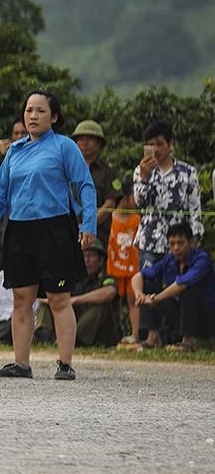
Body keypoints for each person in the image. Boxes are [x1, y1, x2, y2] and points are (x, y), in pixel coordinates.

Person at [0, 90, 95, 380]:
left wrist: (88, 224)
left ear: (54, 117)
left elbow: (85, 186)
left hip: (54, 228)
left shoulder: (64, 146)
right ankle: (21, 364)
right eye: (29, 110)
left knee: (59, 298)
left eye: (40, 111)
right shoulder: (15, 151)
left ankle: (65, 364)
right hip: (19, 230)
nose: (33, 116)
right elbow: (2, 188)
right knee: (22, 299)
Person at [131, 121, 203, 272]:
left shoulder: (188, 172)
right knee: (149, 287)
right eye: (151, 145)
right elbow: (139, 202)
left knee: (178, 289)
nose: (156, 149)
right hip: (150, 240)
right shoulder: (141, 170)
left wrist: (194, 239)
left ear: (171, 144)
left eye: (160, 144)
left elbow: (194, 209)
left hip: (179, 243)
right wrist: (144, 177)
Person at [136, 224, 212, 351]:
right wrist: (140, 295)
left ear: (191, 242)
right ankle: (152, 337)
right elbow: (138, 276)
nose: (176, 248)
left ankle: (188, 342)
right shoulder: (169, 259)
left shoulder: (202, 259)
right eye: (172, 244)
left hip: (207, 317)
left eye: (181, 243)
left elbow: (182, 284)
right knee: (148, 284)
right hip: (182, 315)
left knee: (188, 290)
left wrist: (155, 299)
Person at [45, 242, 124, 349]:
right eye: (83, 256)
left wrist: (76, 300)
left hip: (101, 334)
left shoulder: (106, 276)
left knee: (101, 306)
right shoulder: (73, 277)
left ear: (100, 260)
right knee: (46, 305)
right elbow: (50, 292)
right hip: (77, 322)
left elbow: (108, 293)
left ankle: (72, 339)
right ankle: (43, 335)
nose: (86, 260)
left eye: (91, 256)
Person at [70, 120, 123, 236]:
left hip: (99, 234)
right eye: (81, 139)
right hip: (69, 232)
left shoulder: (110, 171)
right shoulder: (67, 169)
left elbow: (110, 203)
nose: (85, 142)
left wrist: (88, 226)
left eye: (90, 138)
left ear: (99, 142)